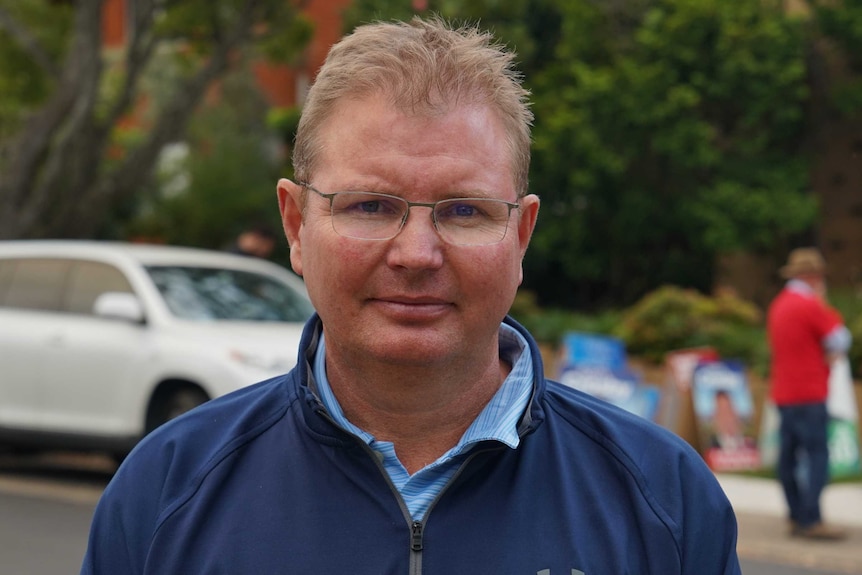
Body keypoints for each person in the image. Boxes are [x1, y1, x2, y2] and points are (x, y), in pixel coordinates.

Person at [81, 17, 740, 574]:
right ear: (295, 225)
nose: (417, 253)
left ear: (521, 233)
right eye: (370, 205)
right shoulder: (163, 493)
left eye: (463, 211)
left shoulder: (665, 501)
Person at [766, 247, 851, 540]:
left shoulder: (778, 305)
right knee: (817, 456)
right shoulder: (810, 305)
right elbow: (840, 338)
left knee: (787, 458)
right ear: (814, 276)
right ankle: (811, 518)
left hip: (783, 392)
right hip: (810, 391)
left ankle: (795, 515)